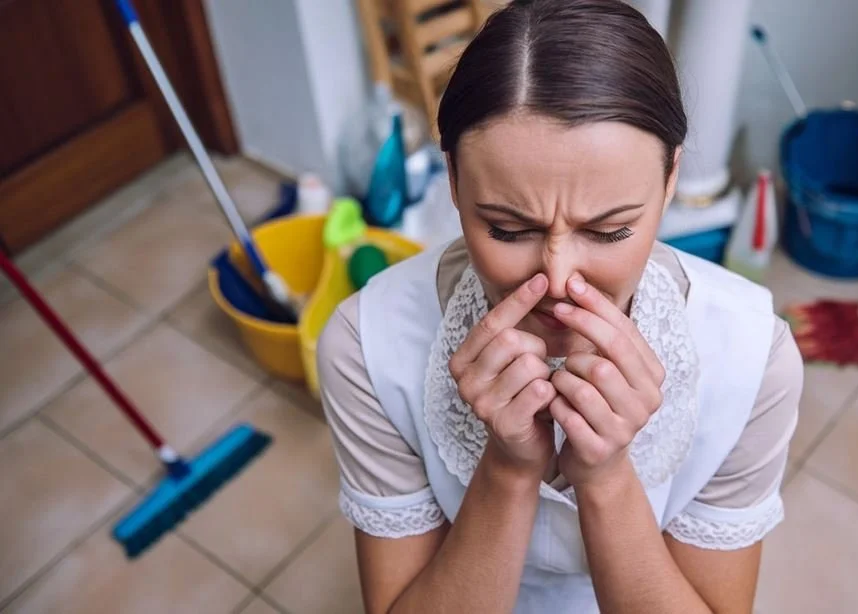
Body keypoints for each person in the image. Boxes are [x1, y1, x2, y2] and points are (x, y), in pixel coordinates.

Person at [317, 1, 802, 612]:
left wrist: (604, 477)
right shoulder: (366, 347)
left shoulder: (754, 359)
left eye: (609, 231)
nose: (558, 279)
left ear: (671, 177)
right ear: (455, 180)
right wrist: (508, 470)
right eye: (508, 229)